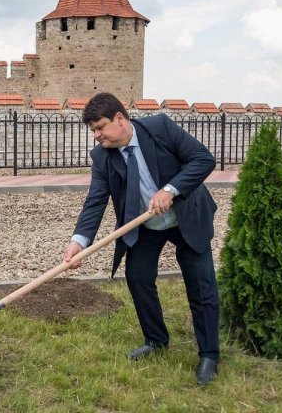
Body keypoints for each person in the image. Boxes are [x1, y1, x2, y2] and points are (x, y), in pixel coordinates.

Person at [63, 92, 220, 385]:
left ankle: (209, 354)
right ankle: (156, 340)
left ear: (120, 119)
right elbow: (95, 201)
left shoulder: (159, 128)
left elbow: (202, 159)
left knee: (201, 286)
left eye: (100, 127)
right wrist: (79, 241)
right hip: (146, 225)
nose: (96, 136)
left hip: (185, 216)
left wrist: (170, 190)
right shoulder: (102, 157)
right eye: (93, 130)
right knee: (137, 277)